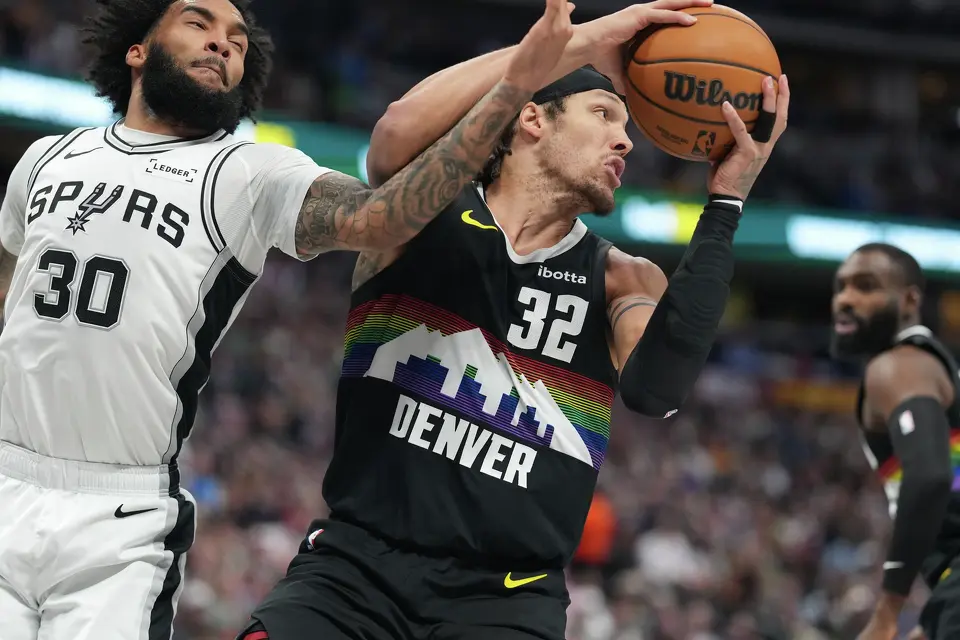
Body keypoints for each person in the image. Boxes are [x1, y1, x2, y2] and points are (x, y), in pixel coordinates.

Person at [0, 0, 576, 635]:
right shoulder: (49, 157)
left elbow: (380, 218)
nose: (223, 44)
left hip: (116, 517)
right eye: (200, 24)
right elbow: (13, 285)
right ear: (137, 49)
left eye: (238, 42)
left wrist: (514, 85)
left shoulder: (249, 172)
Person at [238, 1, 790, 638]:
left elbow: (656, 387)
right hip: (355, 571)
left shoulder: (622, 278)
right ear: (531, 118)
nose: (626, 139)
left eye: (628, 125)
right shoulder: (420, 219)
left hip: (505, 602)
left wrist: (726, 201)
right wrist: (584, 43)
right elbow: (394, 136)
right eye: (605, 114)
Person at [830, 244, 960, 640]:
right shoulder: (932, 365)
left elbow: (930, 476)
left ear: (908, 300)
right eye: (841, 287)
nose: (846, 299)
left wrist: (888, 611)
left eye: (866, 286)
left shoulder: (897, 365)